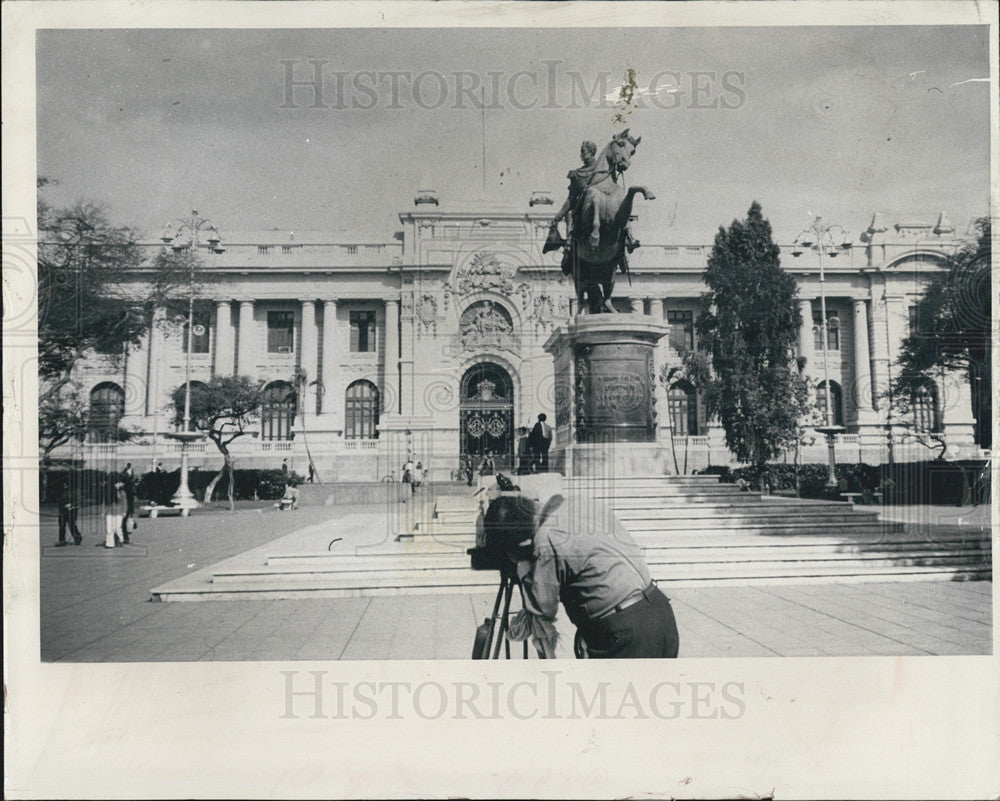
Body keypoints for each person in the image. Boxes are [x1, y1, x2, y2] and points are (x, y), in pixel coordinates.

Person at [483, 491, 679, 659]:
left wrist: (522, 566)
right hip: (660, 612)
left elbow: (543, 609)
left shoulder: (546, 538)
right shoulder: (581, 502)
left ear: (520, 543)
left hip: (625, 634)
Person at [56, 477, 83, 547]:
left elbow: (78, 501)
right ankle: (62, 540)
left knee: (71, 525)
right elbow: (60, 500)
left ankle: (77, 538)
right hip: (63, 510)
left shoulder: (75, 491)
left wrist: (72, 504)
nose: (65, 485)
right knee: (63, 526)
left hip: (71, 510)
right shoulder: (62, 490)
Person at [103, 475, 127, 549]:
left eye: (119, 483)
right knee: (109, 529)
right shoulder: (108, 492)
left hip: (119, 512)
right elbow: (104, 502)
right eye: (117, 483)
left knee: (117, 528)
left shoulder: (122, 492)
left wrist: (124, 511)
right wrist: (103, 511)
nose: (118, 485)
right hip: (109, 512)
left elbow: (125, 503)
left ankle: (121, 540)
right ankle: (110, 544)